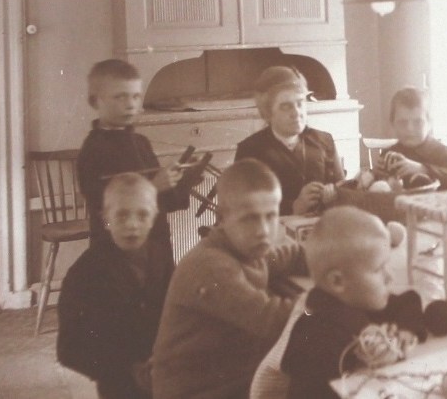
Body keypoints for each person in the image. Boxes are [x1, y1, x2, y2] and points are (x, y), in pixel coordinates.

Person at [151, 159, 308, 399]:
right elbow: (271, 320)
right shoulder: (210, 265)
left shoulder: (247, 250)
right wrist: (327, 296)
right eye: (250, 218)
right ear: (222, 219)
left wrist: (326, 258)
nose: (263, 230)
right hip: (196, 391)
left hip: (228, 378)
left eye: (270, 216)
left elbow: (288, 255)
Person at [279, 207, 428, 399]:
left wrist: (405, 332)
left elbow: (409, 301)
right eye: (378, 269)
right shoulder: (314, 337)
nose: (389, 277)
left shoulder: (359, 300)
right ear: (338, 281)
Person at [57, 173, 171, 399]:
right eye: (122, 215)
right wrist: (127, 369)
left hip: (164, 375)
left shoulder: (161, 258)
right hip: (119, 383)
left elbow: (175, 315)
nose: (132, 225)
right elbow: (68, 349)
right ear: (106, 219)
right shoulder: (84, 273)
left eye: (142, 215)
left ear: (154, 218)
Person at [77, 58, 190, 267]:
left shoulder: (141, 142)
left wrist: (182, 180)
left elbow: (165, 202)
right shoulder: (93, 149)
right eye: (120, 97)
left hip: (156, 247)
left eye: (136, 96)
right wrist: (153, 187)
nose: (130, 104)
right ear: (95, 102)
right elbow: (102, 211)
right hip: (117, 252)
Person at [235, 66, 343, 216]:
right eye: (286, 107)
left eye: (300, 103)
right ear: (268, 113)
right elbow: (244, 209)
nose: (296, 112)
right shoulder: (250, 150)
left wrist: (333, 195)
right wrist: (294, 207)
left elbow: (342, 191)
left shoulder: (324, 141)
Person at [382, 87, 447, 190]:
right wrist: (376, 174)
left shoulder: (443, 152)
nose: (410, 128)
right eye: (402, 122)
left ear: (430, 123)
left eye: (418, 122)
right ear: (393, 124)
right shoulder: (389, 154)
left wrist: (424, 169)